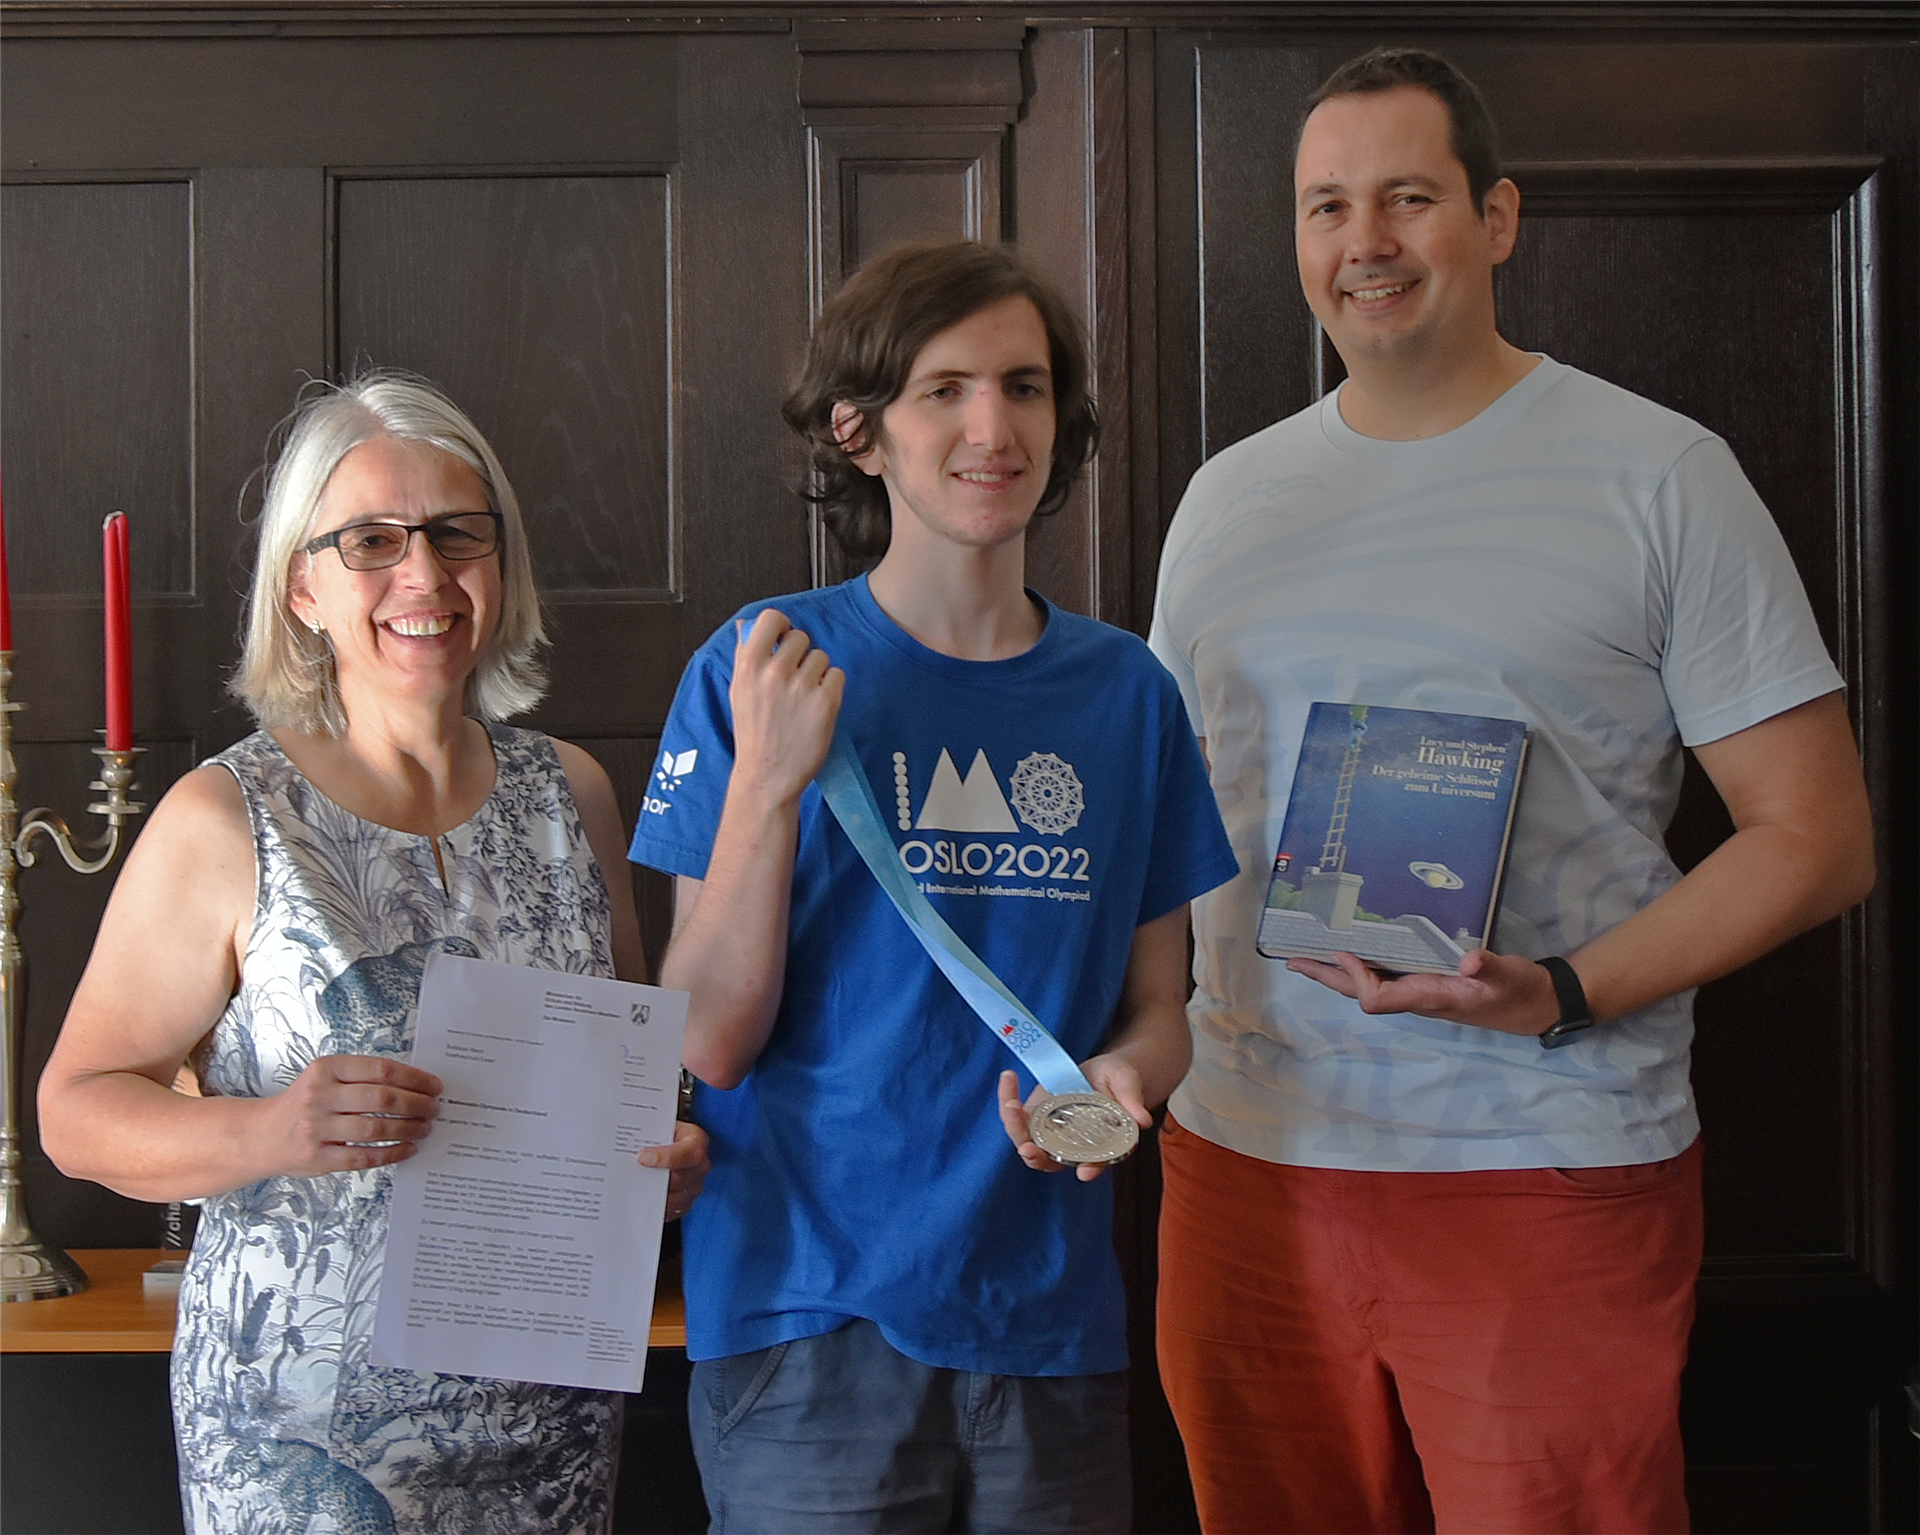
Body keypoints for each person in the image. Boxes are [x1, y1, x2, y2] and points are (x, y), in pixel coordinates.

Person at [1147, 47, 1876, 1535]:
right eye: (1327, 206)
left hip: (1542, 1159)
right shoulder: (1225, 498)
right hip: (1247, 1160)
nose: (1365, 242)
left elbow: (1818, 837)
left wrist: (1564, 989)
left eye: (1408, 198)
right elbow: (1170, 825)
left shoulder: (1662, 476)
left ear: (1497, 218)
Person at [629, 240, 1236, 1534]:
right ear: (859, 431)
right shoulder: (758, 663)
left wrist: (1124, 1080)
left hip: (1052, 1324)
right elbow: (709, 1039)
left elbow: (1163, 1008)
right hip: (806, 1323)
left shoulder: (1130, 695)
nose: (991, 428)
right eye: (943, 388)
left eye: (1024, 386)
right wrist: (767, 785)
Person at [38, 373, 709, 1535]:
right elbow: (75, 1110)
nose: (425, 574)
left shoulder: (576, 793)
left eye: (457, 533)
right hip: (303, 1442)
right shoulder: (227, 817)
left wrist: (658, 1159)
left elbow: (621, 1085)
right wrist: (267, 1130)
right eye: (372, 541)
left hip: (550, 1432)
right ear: (302, 587)